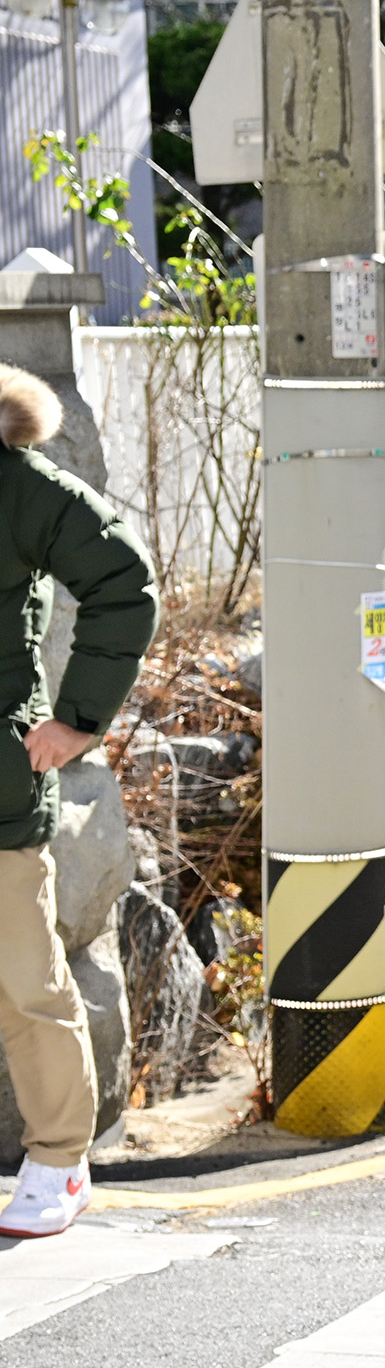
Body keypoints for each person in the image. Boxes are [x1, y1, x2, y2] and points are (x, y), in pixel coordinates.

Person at [0, 368, 156, 1240]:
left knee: (25, 983)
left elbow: (124, 584)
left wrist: (77, 722)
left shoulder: (21, 487)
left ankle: (59, 1161)